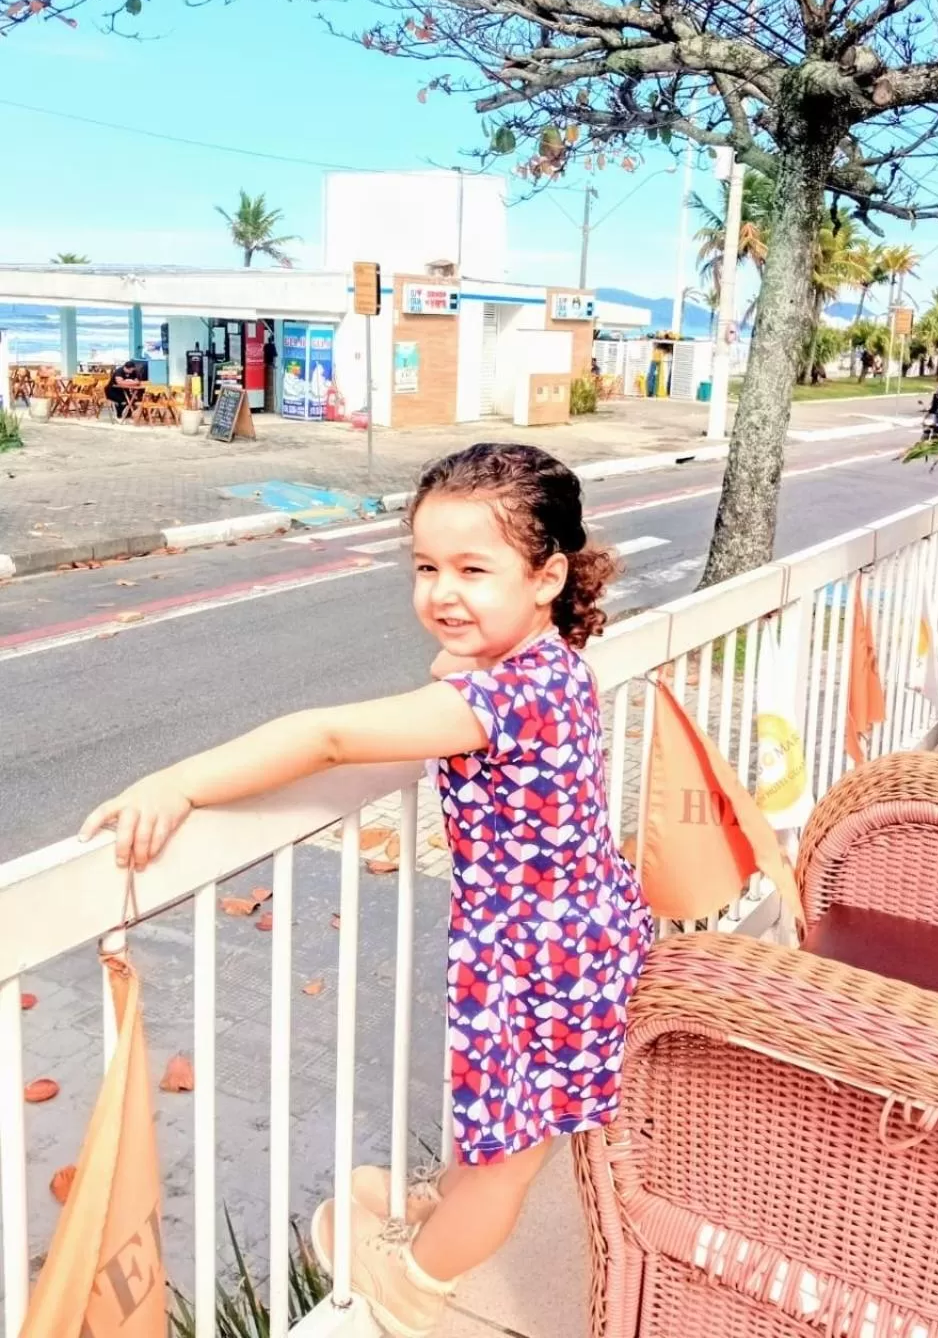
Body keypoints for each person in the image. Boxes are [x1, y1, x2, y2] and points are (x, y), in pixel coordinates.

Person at [79, 442, 653, 1338]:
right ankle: (439, 1207)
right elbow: (460, 682)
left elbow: (330, 738)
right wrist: (463, 662)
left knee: (510, 1155)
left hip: (537, 954)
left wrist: (179, 783)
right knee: (505, 1123)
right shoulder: (549, 667)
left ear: (546, 576)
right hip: (578, 937)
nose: (441, 592)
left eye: (472, 568)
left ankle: (413, 1280)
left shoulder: (503, 699)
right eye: (425, 567)